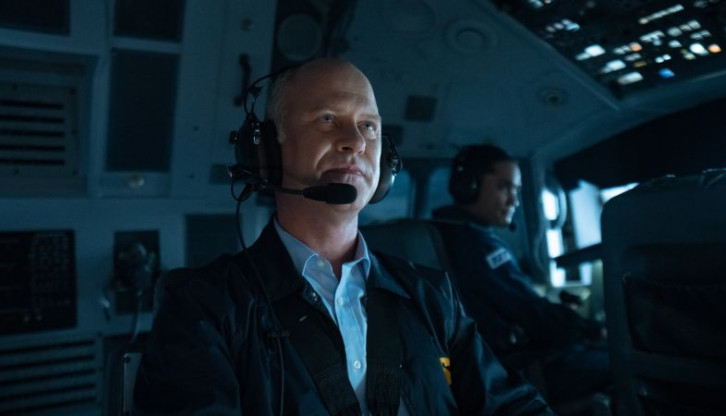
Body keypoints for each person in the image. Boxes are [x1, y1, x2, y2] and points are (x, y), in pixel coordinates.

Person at [133, 59, 553, 415]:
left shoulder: (431, 293)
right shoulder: (203, 306)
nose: (355, 142)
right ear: (267, 150)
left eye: (368, 126)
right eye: (327, 119)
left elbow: (510, 405)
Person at [432, 145, 611, 408]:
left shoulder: (448, 233)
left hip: (485, 364)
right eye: (504, 187)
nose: (514, 201)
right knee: (616, 364)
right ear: (468, 187)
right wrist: (592, 329)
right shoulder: (477, 246)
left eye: (516, 190)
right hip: (507, 371)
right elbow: (531, 312)